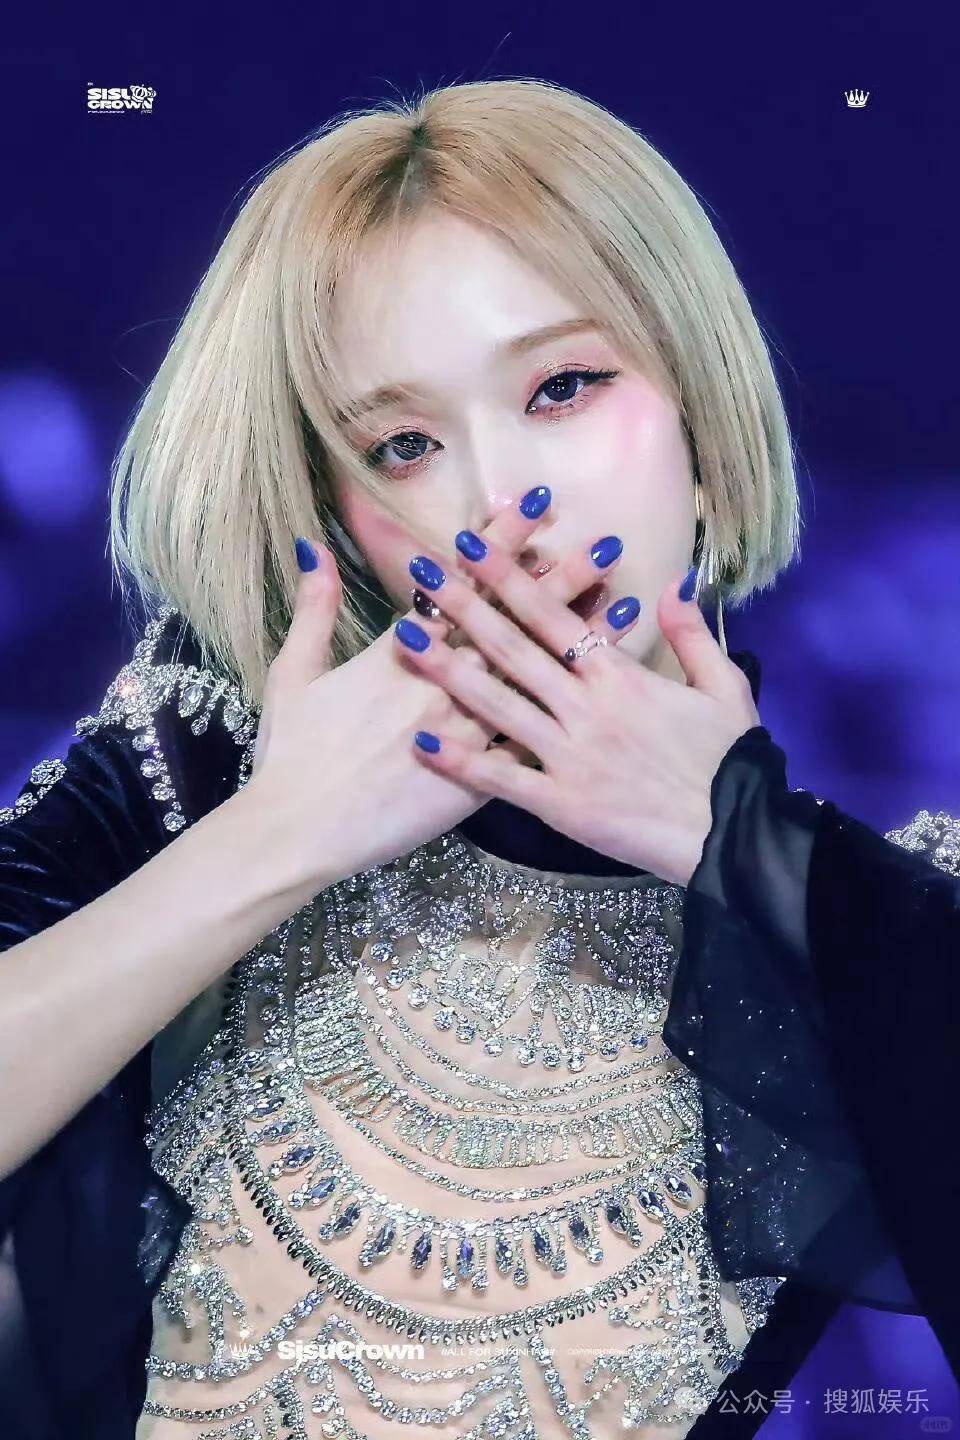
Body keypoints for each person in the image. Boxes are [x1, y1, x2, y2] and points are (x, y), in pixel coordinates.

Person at [0, 76, 956, 1439]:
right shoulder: (202, 768)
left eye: (563, 387)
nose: (501, 501)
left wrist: (742, 850)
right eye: (403, 444)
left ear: (703, 418)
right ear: (337, 511)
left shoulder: (884, 922)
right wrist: (276, 841)